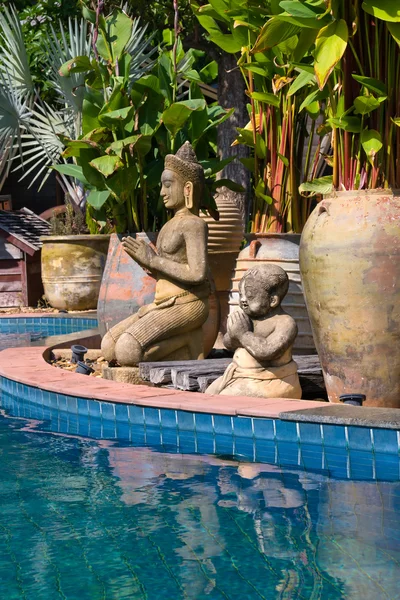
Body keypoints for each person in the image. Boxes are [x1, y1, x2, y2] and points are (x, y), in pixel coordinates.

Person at [101, 142, 210, 366]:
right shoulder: (170, 224)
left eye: (168, 185)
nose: (162, 192)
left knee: (126, 351)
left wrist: (154, 260)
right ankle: (180, 343)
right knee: (108, 345)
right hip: (162, 302)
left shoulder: (194, 224)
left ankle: (187, 341)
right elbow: (169, 267)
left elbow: (197, 274)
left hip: (188, 302)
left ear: (187, 189)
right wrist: (148, 263)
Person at [206, 264, 302, 398]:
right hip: (242, 376)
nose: (243, 300)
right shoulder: (248, 318)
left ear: (272, 300)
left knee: (224, 400)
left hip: (271, 382)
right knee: (208, 395)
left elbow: (267, 352)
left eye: (250, 296)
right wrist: (234, 333)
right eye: (241, 295)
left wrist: (243, 334)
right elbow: (229, 343)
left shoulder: (285, 323)